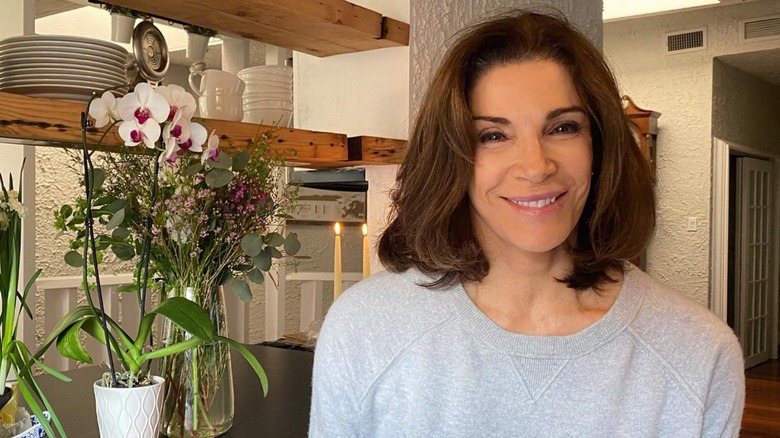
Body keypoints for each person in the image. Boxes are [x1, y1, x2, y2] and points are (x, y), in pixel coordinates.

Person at [309, 8, 745, 437]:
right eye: (493, 136)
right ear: (451, 160)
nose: (536, 166)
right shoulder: (365, 328)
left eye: (563, 128)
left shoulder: (699, 354)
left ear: (599, 147)